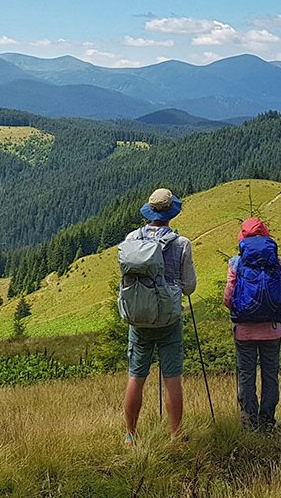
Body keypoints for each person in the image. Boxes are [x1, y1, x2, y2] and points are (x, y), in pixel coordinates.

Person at [122, 188, 197, 447]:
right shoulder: (181, 244)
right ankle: (175, 435)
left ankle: (130, 435)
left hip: (138, 318)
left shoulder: (132, 238)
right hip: (168, 319)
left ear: (149, 211)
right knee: (172, 378)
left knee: (136, 377)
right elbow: (189, 287)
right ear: (171, 213)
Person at [224, 217, 281, 431]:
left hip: (244, 331)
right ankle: (268, 421)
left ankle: (249, 422)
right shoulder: (276, 262)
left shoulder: (236, 262)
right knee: (270, 375)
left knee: (246, 374)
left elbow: (228, 298)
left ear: (243, 238)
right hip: (272, 330)